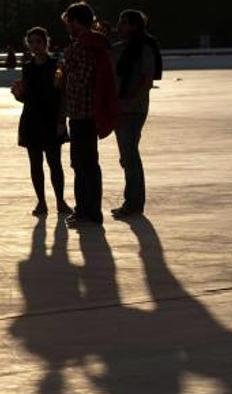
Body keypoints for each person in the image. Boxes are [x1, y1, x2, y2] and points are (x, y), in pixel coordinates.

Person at [58, 1, 119, 227]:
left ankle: (90, 212)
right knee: (81, 163)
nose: (67, 27)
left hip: (84, 113)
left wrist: (67, 64)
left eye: (69, 22)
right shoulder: (88, 44)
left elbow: (82, 80)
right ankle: (84, 209)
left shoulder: (84, 47)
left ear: (76, 21)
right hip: (80, 113)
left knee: (86, 164)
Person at [12, 27, 73, 217]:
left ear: (45, 42)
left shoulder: (56, 65)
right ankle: (41, 201)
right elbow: (26, 97)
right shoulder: (28, 67)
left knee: (55, 163)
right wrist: (18, 94)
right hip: (31, 119)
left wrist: (61, 120)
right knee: (35, 164)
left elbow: (62, 94)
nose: (35, 45)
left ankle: (60, 201)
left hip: (51, 119)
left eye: (38, 41)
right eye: (31, 42)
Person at [111, 9, 156, 219]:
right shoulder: (119, 49)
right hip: (120, 108)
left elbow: (147, 81)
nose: (119, 26)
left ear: (134, 26)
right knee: (127, 157)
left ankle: (134, 203)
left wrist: (129, 100)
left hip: (133, 109)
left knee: (130, 157)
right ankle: (133, 200)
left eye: (123, 23)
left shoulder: (144, 49)